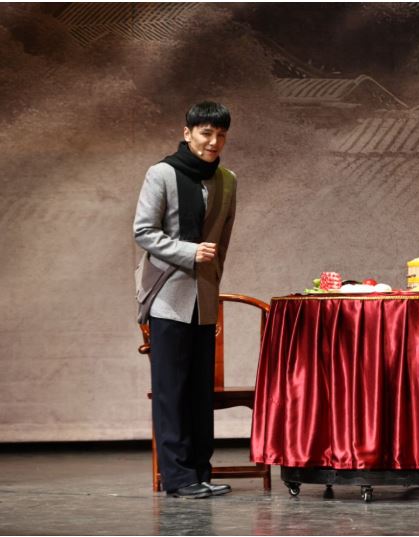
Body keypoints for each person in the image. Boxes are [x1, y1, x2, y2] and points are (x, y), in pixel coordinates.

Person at [133, 102, 237, 499]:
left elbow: (222, 241)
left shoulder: (227, 180)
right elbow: (144, 231)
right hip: (167, 296)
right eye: (206, 133)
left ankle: (199, 471)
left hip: (203, 298)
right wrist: (189, 252)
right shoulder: (161, 174)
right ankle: (178, 478)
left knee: (198, 391)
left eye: (221, 135)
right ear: (187, 132)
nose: (214, 142)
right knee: (171, 390)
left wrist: (211, 281)